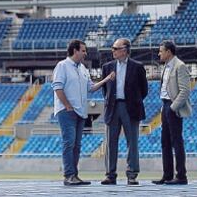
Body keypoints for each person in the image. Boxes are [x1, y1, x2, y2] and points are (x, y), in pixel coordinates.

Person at [52, 39, 114, 186]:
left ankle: (74, 174)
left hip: (81, 112)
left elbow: (91, 88)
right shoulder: (62, 66)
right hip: (67, 111)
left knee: (77, 145)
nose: (86, 53)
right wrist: (67, 105)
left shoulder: (83, 69)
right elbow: (57, 88)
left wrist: (106, 79)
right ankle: (69, 175)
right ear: (75, 51)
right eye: (83, 50)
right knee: (69, 143)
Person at [100, 37, 149, 186]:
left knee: (132, 142)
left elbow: (144, 90)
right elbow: (105, 90)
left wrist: (133, 101)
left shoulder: (137, 66)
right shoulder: (107, 67)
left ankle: (132, 174)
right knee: (110, 143)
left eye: (116, 48)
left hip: (130, 108)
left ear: (125, 50)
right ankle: (110, 174)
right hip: (113, 108)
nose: (113, 51)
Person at [152, 40, 193, 185]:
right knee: (165, 142)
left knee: (177, 141)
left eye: (161, 51)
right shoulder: (166, 67)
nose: (159, 53)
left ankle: (181, 175)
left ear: (168, 52)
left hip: (173, 106)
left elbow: (185, 90)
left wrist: (173, 107)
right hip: (165, 104)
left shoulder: (179, 66)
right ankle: (167, 175)